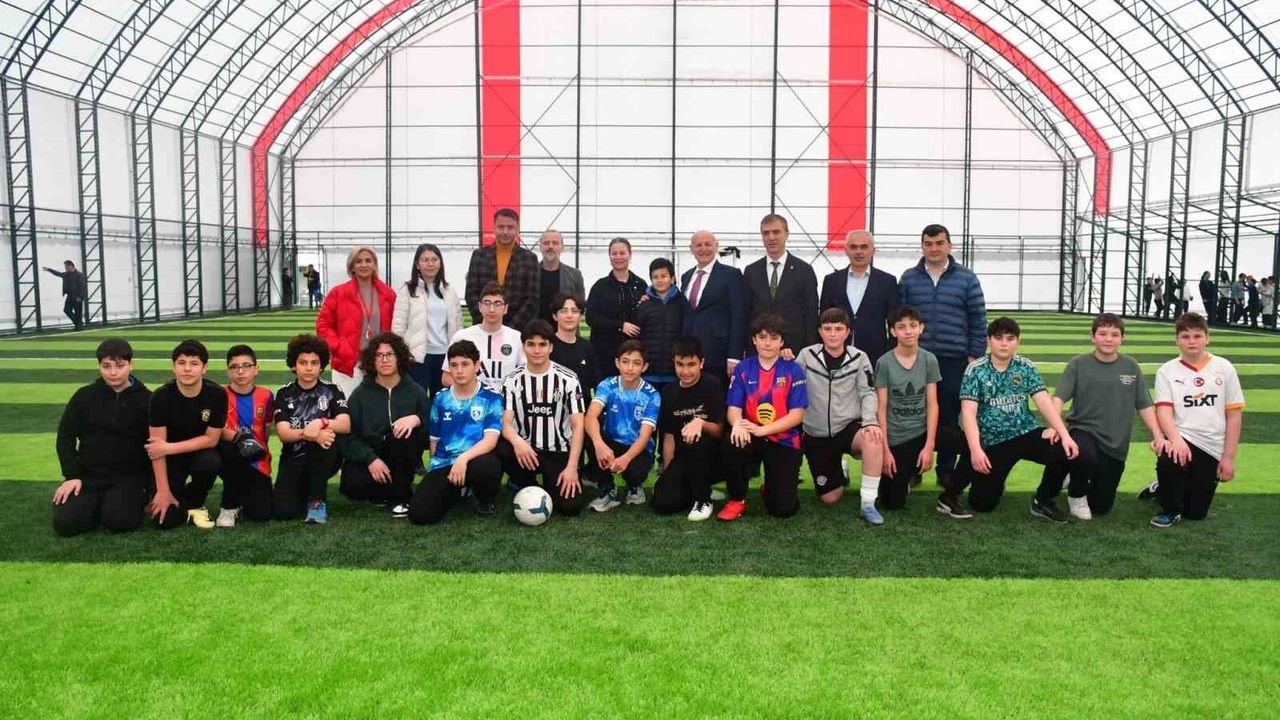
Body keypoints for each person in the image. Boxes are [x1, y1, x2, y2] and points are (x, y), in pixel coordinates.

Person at [940, 317, 1079, 521]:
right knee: (982, 504)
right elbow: (968, 413)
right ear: (989, 340)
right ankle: (968, 489)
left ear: (1018, 341)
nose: (1004, 343)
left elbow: (1043, 401)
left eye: (1010, 338)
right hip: (994, 440)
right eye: (998, 338)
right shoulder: (976, 369)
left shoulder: (1025, 366)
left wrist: (1064, 434)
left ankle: (1043, 501)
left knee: (1064, 450)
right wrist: (976, 450)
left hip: (1025, 432)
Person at [1036, 314, 1168, 520]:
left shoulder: (1131, 366)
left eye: (1115, 335)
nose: (1108, 339)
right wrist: (1054, 425)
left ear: (1122, 338)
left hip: (1116, 443)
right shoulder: (1078, 364)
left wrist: (1158, 435)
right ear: (1092, 336)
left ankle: (1074, 476)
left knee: (1101, 506)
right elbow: (1058, 398)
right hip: (1083, 431)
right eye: (1103, 334)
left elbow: (1144, 405)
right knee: (1083, 454)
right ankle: (1076, 495)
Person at [897, 223, 987, 489]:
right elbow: (899, 317)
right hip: (916, 358)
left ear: (949, 245)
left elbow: (978, 318)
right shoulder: (909, 278)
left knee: (949, 415)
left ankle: (946, 469)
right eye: (928, 244)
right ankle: (914, 468)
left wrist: (974, 355)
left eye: (939, 243)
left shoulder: (967, 279)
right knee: (913, 413)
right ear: (922, 246)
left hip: (954, 359)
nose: (934, 248)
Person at [1150, 313, 1245, 528]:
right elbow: (1163, 411)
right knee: (1169, 456)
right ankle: (1170, 509)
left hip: (1212, 444)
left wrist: (1228, 458)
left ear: (1207, 338)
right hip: (1182, 436)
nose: (1191, 341)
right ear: (1177, 340)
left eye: (1197, 336)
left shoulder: (1224, 368)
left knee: (1195, 513)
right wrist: (1176, 440)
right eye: (1185, 336)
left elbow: (1234, 416)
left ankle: (1161, 488)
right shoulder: (1166, 370)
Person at [51, 339, 152, 536]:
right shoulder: (84, 396)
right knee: (65, 524)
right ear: (99, 366)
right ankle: (93, 505)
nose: (113, 372)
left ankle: (113, 504)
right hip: (89, 477)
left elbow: (154, 445)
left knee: (120, 521)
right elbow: (65, 437)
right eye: (106, 366)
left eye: (120, 366)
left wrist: (149, 485)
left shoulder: (147, 399)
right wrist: (72, 476)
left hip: (128, 478)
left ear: (131, 365)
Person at [797, 308, 885, 524]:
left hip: (848, 427)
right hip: (816, 432)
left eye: (838, 329)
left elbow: (867, 393)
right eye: (827, 329)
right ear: (820, 331)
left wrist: (870, 422)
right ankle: (840, 470)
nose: (833, 334)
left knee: (873, 438)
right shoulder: (806, 356)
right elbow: (793, 388)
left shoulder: (859, 357)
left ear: (847, 332)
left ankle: (868, 503)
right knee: (830, 498)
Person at [717, 314, 809, 521]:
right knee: (732, 441)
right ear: (754, 340)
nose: (768, 343)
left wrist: (762, 430)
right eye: (762, 337)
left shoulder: (794, 369)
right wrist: (737, 424)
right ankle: (737, 499)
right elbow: (733, 408)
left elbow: (797, 415)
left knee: (784, 509)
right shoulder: (743, 368)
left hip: (783, 439)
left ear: (782, 342)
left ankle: (771, 487)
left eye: (774, 338)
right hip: (750, 434)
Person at [408, 340, 506, 525]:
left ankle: (482, 498)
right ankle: (457, 490)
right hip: (445, 463)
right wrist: (434, 473)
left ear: (477, 366)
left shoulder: (491, 397)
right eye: (454, 365)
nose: (459, 370)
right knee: (420, 515)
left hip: (475, 461)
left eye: (465, 364)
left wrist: (463, 459)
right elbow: (434, 440)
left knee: (489, 465)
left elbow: (490, 440)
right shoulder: (440, 399)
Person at [497, 320, 588, 517]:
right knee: (502, 447)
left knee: (570, 507)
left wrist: (572, 467)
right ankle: (526, 483)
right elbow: (506, 422)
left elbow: (578, 425)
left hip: (558, 450)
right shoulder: (511, 380)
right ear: (523, 347)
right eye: (531, 344)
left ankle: (551, 481)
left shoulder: (568, 379)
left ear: (551, 347)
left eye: (542, 344)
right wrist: (518, 442)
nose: (537, 350)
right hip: (526, 450)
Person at [339, 333, 430, 519]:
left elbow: (430, 431)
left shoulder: (416, 392)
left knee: (403, 433)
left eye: (389, 354)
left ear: (399, 358)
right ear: (372, 360)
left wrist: (416, 419)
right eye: (379, 355)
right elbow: (348, 436)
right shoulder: (360, 394)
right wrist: (371, 459)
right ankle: (389, 489)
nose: (384, 360)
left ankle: (400, 498)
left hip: (402, 453)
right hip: (372, 455)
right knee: (351, 486)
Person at [145, 340, 227, 530]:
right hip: (170, 459)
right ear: (173, 367)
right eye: (182, 363)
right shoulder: (160, 397)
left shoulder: (216, 394)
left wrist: (169, 447)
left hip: (199, 453)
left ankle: (195, 503)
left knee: (211, 461)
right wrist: (163, 491)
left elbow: (212, 439)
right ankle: (169, 495)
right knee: (165, 521)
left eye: (194, 363)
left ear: (204, 368)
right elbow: (156, 449)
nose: (187, 369)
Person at [273, 333, 350, 524]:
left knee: (326, 438)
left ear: (321, 366)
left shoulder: (332, 390)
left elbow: (345, 424)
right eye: (303, 362)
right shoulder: (284, 393)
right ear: (294, 365)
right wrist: (310, 434)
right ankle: (304, 493)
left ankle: (317, 501)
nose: (309, 368)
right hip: (294, 457)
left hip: (324, 456)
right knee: (284, 512)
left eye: (314, 363)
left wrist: (321, 423)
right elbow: (284, 434)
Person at [650, 337, 726, 520]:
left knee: (694, 439)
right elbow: (669, 437)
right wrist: (668, 474)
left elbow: (719, 431)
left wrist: (700, 423)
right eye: (680, 364)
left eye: (691, 365)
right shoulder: (669, 392)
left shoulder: (712, 385)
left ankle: (703, 499)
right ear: (674, 363)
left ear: (701, 363)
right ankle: (695, 488)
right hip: (684, 456)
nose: (685, 371)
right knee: (662, 503)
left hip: (713, 457)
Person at [875, 306, 941, 512]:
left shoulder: (929, 359)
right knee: (892, 503)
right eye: (901, 327)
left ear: (921, 328)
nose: (908, 331)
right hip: (898, 436)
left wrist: (929, 445)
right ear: (893, 331)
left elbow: (932, 404)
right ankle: (901, 476)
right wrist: (885, 451)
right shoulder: (884, 362)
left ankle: (951, 493)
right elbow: (881, 409)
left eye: (913, 325)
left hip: (922, 431)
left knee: (966, 443)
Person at [586, 340, 661, 512]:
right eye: (625, 361)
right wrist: (599, 444)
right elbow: (590, 416)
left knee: (635, 473)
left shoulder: (652, 395)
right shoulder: (607, 385)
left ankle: (634, 486)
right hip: (611, 444)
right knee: (589, 432)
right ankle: (607, 487)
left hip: (638, 448)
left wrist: (626, 459)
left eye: (636, 363)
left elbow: (644, 437)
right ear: (617, 363)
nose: (630, 368)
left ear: (645, 367)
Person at [316, 246, 395, 396]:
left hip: (379, 362)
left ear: (374, 265)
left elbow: (395, 327)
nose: (364, 265)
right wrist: (340, 347)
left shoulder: (388, 294)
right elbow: (323, 326)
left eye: (368, 261)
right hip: (348, 364)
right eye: (358, 261)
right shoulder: (338, 293)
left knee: (378, 406)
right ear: (352, 266)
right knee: (346, 406)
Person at [742, 214, 819, 358]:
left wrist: (809, 352)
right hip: (759, 350)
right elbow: (746, 313)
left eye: (776, 232)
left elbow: (811, 314)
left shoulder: (804, 270)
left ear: (787, 234)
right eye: (766, 233)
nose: (771, 237)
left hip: (794, 351)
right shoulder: (751, 271)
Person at [214, 345, 274, 527]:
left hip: (256, 459)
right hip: (229, 454)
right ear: (228, 371)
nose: (240, 371)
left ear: (256, 369)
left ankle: (244, 495)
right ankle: (229, 505)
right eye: (234, 367)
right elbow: (214, 429)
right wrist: (238, 438)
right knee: (230, 449)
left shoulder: (266, 396)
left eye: (246, 366)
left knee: (261, 514)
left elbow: (267, 430)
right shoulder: (218, 395)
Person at [819, 230, 899, 364]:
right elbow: (823, 318)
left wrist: (894, 354)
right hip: (836, 353)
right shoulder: (831, 281)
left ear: (873, 251)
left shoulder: (887, 282)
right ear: (846, 251)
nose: (858, 252)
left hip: (875, 355)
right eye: (853, 247)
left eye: (864, 247)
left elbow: (893, 321)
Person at [393, 243, 462, 398]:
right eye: (425, 260)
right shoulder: (407, 291)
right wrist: (402, 354)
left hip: (444, 357)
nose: (430, 264)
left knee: (442, 401)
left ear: (440, 263)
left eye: (434, 259)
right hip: (417, 357)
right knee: (415, 401)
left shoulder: (450, 291)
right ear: (417, 264)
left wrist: (456, 353)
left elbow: (458, 326)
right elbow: (398, 328)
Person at [680, 230, 745, 384]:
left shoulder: (731, 275)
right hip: (690, 356)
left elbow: (738, 316)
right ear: (691, 249)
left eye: (708, 244)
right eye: (698, 245)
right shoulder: (686, 276)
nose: (703, 249)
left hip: (719, 356)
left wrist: (734, 356)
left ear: (716, 246)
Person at [442, 281, 524, 393]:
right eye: (487, 303)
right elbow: (446, 377)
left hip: (507, 402)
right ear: (480, 306)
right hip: (472, 401)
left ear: (505, 308)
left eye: (497, 303)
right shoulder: (462, 336)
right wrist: (473, 393)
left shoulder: (517, 338)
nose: (492, 309)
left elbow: (526, 377)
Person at [465, 207, 540, 329]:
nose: (505, 232)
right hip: (483, 326)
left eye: (510, 227)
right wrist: (486, 321)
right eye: (501, 227)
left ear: (517, 229)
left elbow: (532, 299)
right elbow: (471, 293)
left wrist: (510, 329)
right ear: (494, 228)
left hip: (517, 329)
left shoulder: (529, 258)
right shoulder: (479, 255)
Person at [586, 237, 648, 376]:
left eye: (622, 253)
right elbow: (591, 317)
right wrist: (620, 325)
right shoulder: (600, 286)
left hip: (633, 355)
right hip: (604, 353)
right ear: (609, 257)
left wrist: (645, 305)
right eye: (614, 253)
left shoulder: (641, 285)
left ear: (630, 255)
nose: (618, 257)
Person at [634, 257, 687, 390]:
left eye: (663, 276)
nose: (659, 280)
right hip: (648, 373)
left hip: (674, 373)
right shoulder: (644, 305)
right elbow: (637, 336)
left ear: (672, 278)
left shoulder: (682, 303)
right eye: (655, 277)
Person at [537, 229, 586, 322]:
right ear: (540, 247)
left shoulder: (575, 275)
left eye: (555, 243)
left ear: (562, 247)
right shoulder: (530, 273)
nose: (550, 246)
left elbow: (580, 306)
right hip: (536, 329)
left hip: (565, 328)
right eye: (546, 243)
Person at [42, 260, 87, 329]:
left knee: (78, 312)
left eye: (66, 266)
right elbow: (58, 273)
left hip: (77, 297)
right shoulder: (66, 274)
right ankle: (78, 323)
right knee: (67, 310)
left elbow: (82, 287)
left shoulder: (79, 275)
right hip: (70, 296)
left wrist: (80, 297)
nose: (65, 268)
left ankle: (78, 326)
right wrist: (48, 269)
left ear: (71, 266)